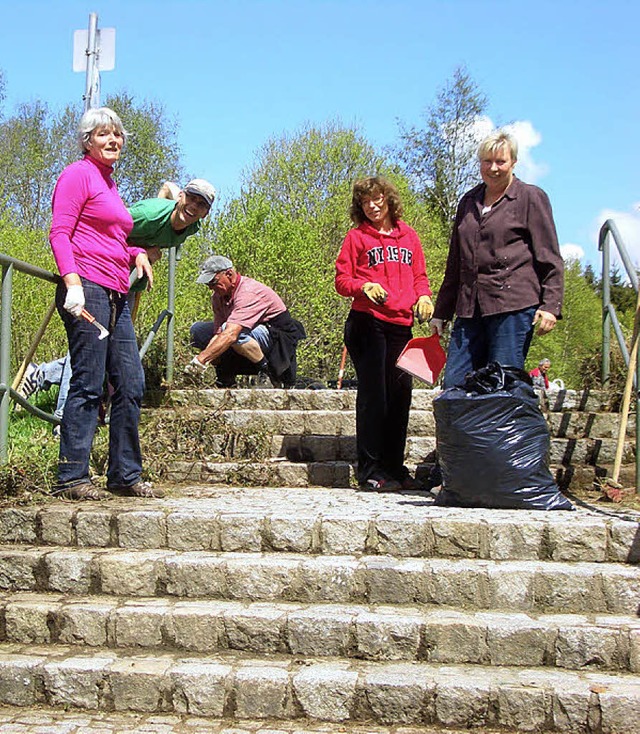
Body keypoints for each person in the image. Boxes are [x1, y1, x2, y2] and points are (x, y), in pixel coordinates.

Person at [18, 178, 216, 426]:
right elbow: (103, 232)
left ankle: (41, 375)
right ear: (182, 197)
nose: (193, 207)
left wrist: (149, 246)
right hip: (98, 276)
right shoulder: (148, 215)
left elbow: (168, 186)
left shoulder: (191, 224)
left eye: (201, 205)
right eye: (191, 199)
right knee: (92, 343)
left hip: (128, 281)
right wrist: (140, 252)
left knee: (107, 349)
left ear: (206, 213)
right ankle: (63, 416)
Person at [49, 106, 160, 501]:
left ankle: (124, 474)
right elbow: (60, 232)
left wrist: (135, 253)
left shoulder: (110, 184)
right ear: (87, 141)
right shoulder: (77, 174)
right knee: (89, 381)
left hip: (117, 292)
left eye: (117, 135)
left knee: (131, 382)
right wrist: (72, 283)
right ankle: (73, 477)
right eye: (103, 135)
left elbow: (111, 234)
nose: (113, 141)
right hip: (88, 289)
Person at [430, 129, 564, 388]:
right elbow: (456, 262)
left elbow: (549, 256)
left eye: (500, 161)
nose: (493, 168)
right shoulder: (468, 201)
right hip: (469, 309)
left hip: (512, 307)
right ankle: (461, 430)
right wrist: (442, 312)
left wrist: (550, 306)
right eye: (487, 161)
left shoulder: (530, 198)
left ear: (513, 162)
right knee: (456, 385)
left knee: (502, 385)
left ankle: (513, 429)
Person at [335, 176, 433, 492]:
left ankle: (394, 468)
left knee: (400, 398)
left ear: (389, 200)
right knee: (374, 397)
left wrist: (424, 296)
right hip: (367, 323)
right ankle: (370, 471)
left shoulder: (409, 237)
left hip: (401, 326)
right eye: (365, 202)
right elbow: (341, 280)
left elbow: (419, 276)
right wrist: (363, 286)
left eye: (377, 199)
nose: (372, 206)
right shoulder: (356, 238)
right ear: (359, 207)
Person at [187, 255, 305, 388]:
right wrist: (203, 361)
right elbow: (218, 333)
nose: (210, 287)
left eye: (213, 282)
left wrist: (201, 360)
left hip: (277, 338)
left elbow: (231, 334)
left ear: (229, 274)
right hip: (248, 333)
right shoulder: (218, 297)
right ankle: (225, 376)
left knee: (230, 330)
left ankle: (267, 371)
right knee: (197, 331)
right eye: (208, 284)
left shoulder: (248, 292)